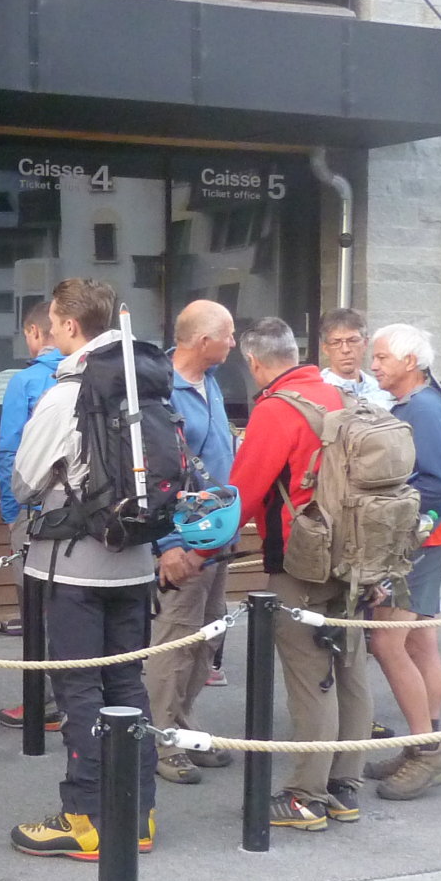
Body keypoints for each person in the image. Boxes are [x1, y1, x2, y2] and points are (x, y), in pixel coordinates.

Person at [9, 278, 161, 857]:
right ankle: (138, 817)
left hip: (74, 567)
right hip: (137, 561)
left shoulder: (67, 392)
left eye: (53, 322)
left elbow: (25, 481)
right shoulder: (147, 382)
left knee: (79, 691)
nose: (50, 331)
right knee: (128, 685)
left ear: (70, 326)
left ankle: (87, 818)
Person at [223, 317, 371, 832]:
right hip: (356, 556)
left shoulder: (276, 409)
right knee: (350, 668)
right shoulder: (339, 397)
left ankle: (306, 796)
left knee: (310, 678)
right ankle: (344, 787)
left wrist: (201, 549)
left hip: (301, 561)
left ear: (254, 362)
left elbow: (242, 494)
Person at [362, 324, 441, 799]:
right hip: (428, 538)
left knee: (387, 643)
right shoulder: (418, 404)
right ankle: (425, 741)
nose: (373, 365)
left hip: (416, 542)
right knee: (420, 643)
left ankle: (427, 751)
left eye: (381, 357)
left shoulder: (421, 409)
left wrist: (388, 506)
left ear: (410, 362)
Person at [150, 299, 237, 783]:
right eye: (228, 334)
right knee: (176, 639)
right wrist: (168, 544)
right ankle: (161, 740)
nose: (234, 343)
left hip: (216, 532)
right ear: (204, 341)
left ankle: (181, 724)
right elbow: (156, 474)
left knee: (208, 634)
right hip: (184, 536)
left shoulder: (211, 380)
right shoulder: (161, 391)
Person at [0, 301, 64, 729]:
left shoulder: (26, 381)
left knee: (37, 610)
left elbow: (10, 454)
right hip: (89, 515)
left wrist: (11, 513)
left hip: (36, 511)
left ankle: (45, 704)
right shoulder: (96, 375)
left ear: (35, 332)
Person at [316, 307, 388, 406]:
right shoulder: (317, 391)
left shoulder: (382, 391)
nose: (345, 349)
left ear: (365, 343)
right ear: (325, 348)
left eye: (353, 341)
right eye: (336, 343)